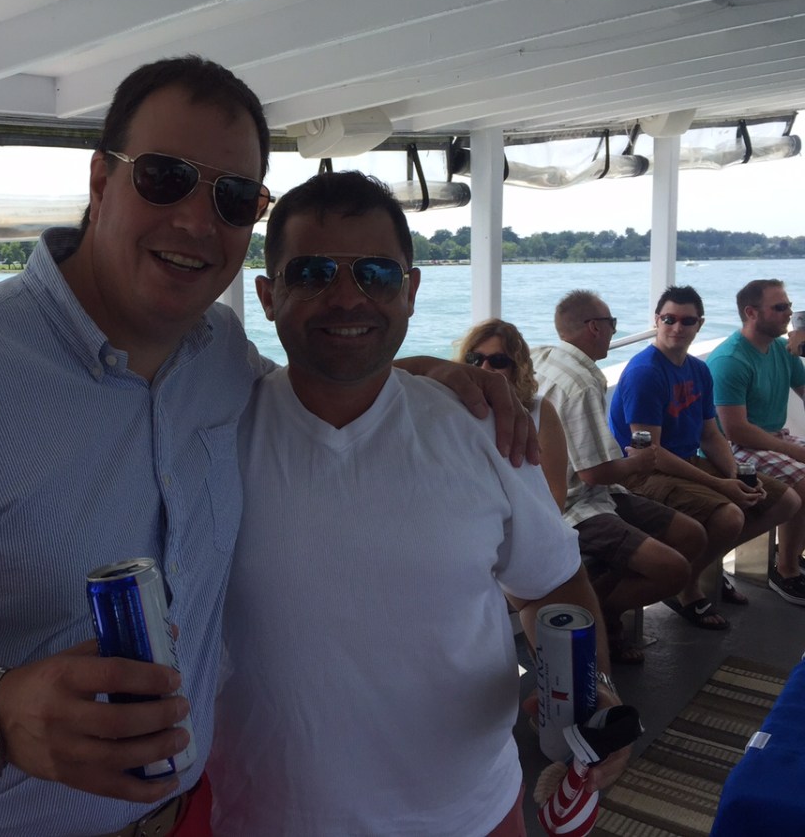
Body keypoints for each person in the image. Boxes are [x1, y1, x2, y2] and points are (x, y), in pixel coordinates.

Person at [0, 56, 532, 837]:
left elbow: (317, 381)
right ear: (101, 182)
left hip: (185, 813)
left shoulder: (217, 353)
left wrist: (419, 375)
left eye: (231, 198)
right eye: (164, 178)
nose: (196, 219)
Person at [209, 171, 628, 837]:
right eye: (314, 272)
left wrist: (590, 694)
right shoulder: (215, 438)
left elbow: (551, 586)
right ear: (267, 295)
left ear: (409, 291)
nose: (347, 297)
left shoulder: (485, 430)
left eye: (375, 273)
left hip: (472, 814)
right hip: (269, 816)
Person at [608, 285, 799, 630]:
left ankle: (693, 569)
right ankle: (687, 587)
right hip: (642, 472)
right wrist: (721, 486)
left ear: (700, 324)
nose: (677, 328)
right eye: (669, 319)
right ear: (657, 320)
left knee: (784, 500)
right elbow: (651, 453)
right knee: (728, 517)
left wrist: (735, 475)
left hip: (684, 461)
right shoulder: (645, 373)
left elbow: (711, 434)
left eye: (687, 321)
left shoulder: (697, 370)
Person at [532, 291, 705, 665]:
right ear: (595, 328)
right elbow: (593, 472)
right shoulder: (579, 383)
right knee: (672, 569)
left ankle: (600, 609)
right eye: (612, 325)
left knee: (691, 535)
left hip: (601, 492)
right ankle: (595, 615)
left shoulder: (542, 357)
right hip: (572, 504)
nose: (613, 332)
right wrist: (639, 464)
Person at [706, 278, 805, 604]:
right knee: (803, 480)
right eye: (779, 308)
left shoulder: (782, 349)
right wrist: (795, 452)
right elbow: (736, 430)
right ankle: (786, 570)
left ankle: (792, 549)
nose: (788, 314)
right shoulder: (731, 360)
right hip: (734, 448)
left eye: (789, 306)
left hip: (772, 437)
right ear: (751, 313)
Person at [459, 319, 569, 509]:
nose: (484, 368)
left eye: (498, 361)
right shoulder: (453, 409)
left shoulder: (539, 411)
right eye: (474, 359)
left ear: (516, 368)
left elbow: (555, 491)